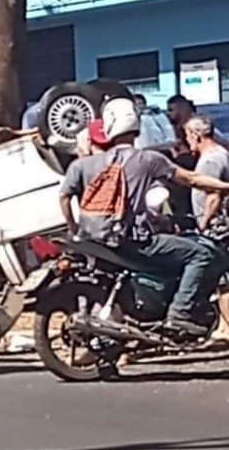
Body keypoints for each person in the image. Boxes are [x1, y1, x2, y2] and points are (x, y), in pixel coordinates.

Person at [60, 97, 229, 336]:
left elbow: (64, 197)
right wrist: (224, 186)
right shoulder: (148, 159)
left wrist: (73, 227)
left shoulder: (84, 165)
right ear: (137, 125)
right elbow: (192, 179)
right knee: (200, 253)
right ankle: (179, 313)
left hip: (94, 240)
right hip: (135, 242)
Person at [185, 114, 229, 341]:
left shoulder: (210, 160)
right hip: (221, 224)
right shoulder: (222, 154)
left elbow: (214, 195)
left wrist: (203, 222)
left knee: (222, 280)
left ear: (196, 135)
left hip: (217, 226)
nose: (187, 141)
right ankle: (223, 326)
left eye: (188, 135)